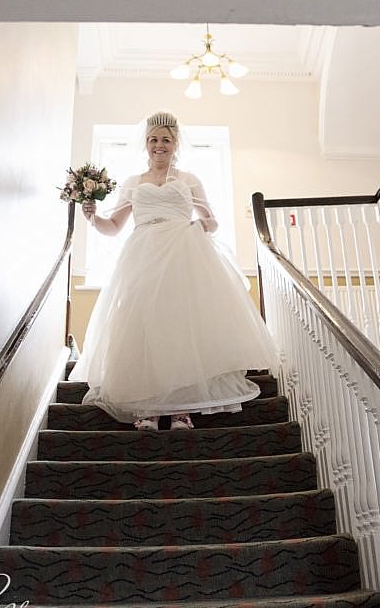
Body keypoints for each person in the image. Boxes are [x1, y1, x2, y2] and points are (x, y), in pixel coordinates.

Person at [68, 111, 279, 430]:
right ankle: (148, 409)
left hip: (182, 252)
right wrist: (92, 217)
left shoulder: (189, 179)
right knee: (144, 327)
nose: (159, 145)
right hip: (143, 254)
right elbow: (113, 227)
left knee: (181, 327)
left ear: (175, 143)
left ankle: (182, 409)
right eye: (153, 139)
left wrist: (202, 225)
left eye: (165, 139)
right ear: (146, 143)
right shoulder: (132, 183)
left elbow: (212, 219)